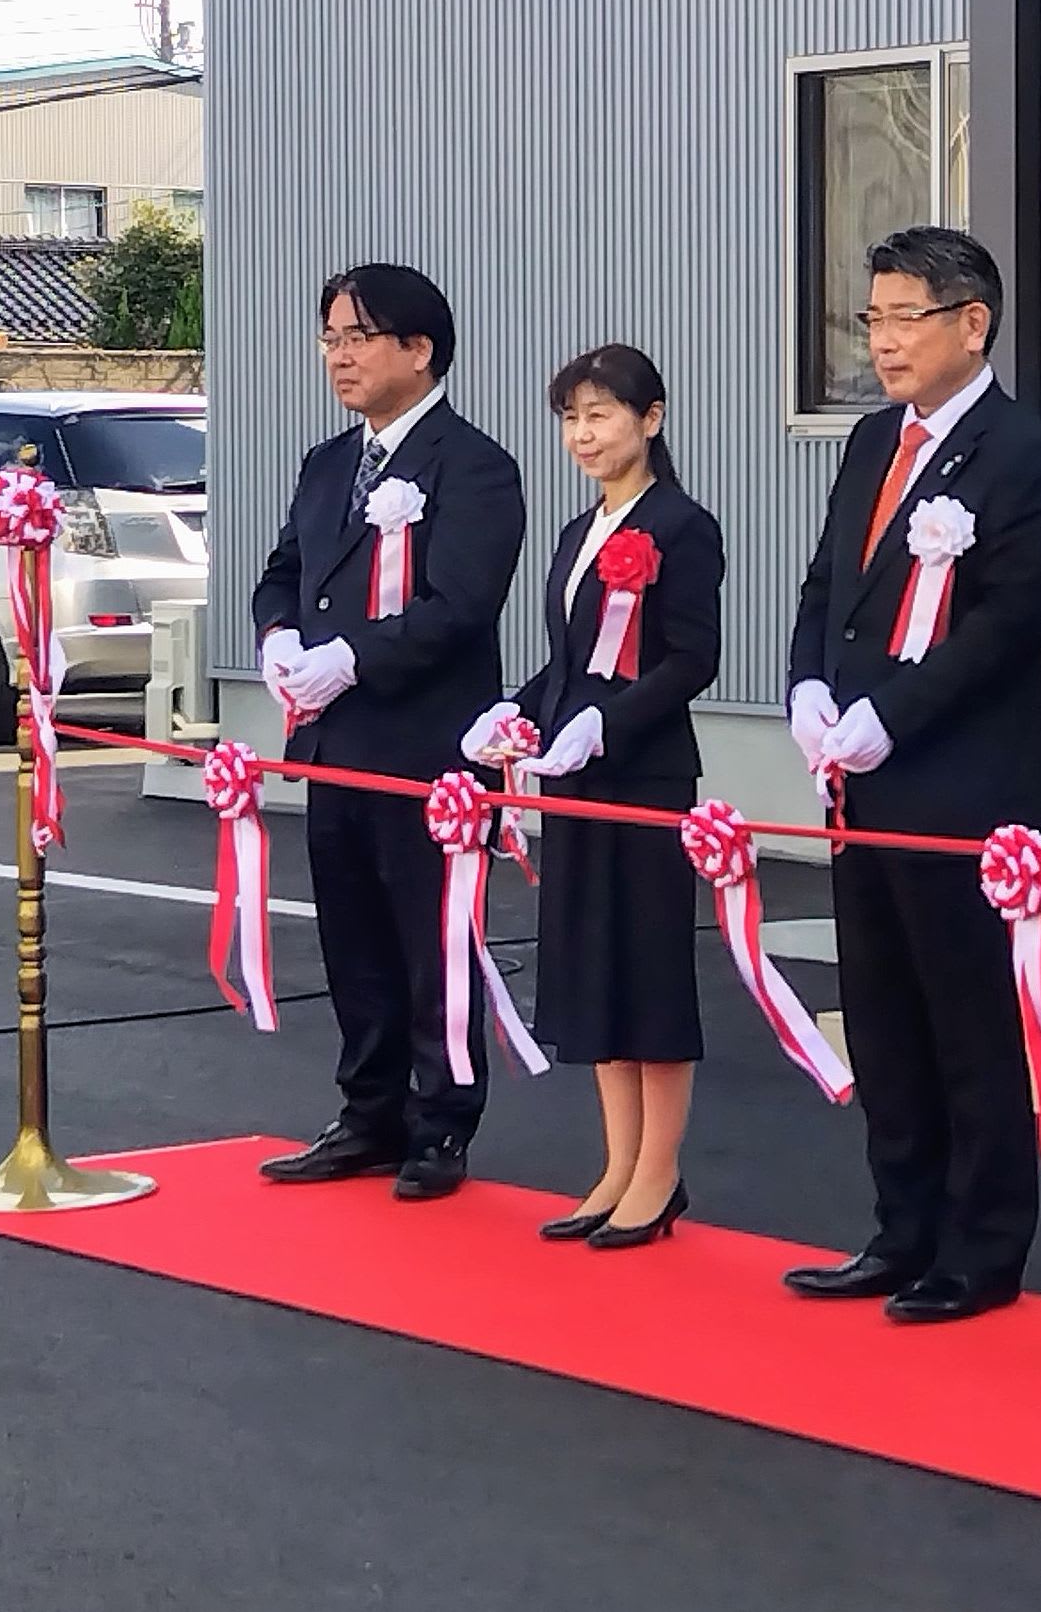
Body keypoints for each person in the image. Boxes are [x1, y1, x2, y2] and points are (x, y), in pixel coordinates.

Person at [780, 226, 1041, 1324]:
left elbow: (1009, 622)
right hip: (860, 783)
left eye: (905, 317)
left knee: (968, 1022)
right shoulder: (873, 441)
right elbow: (829, 583)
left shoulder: (1022, 452)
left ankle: (980, 1247)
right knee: (884, 1014)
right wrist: (809, 686)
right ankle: (899, 1226)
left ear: (972, 323)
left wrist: (890, 715)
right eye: (873, 318)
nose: (884, 340)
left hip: (962, 785)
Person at [249, 264, 525, 1201]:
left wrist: (353, 657)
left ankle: (442, 1119)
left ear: (419, 349)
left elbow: (461, 605)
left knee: (433, 942)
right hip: (335, 743)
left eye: (358, 338)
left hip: (427, 749)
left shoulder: (474, 466)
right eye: (329, 338)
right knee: (353, 936)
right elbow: (284, 571)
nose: (339, 356)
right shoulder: (329, 463)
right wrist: (280, 637)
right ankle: (367, 1111)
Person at [463, 344, 723, 1247]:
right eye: (572, 418)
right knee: (594, 969)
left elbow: (691, 658)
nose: (583, 434)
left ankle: (659, 1172)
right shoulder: (580, 532)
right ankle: (617, 1164)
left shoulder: (682, 526)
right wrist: (519, 711)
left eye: (601, 414)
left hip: (643, 779)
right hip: (575, 779)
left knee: (649, 971)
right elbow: (570, 665)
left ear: (651, 419)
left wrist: (608, 724)